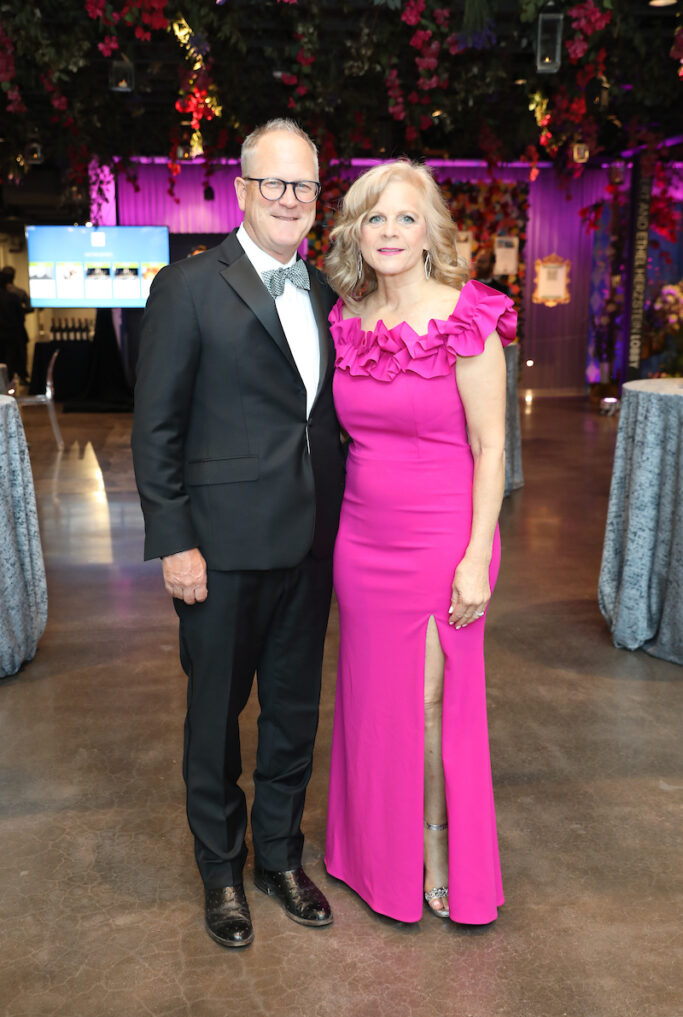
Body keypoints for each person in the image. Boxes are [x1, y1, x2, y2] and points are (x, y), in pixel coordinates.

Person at [131, 119, 346, 949]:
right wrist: (174, 541)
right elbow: (156, 428)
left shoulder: (325, 290)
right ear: (243, 191)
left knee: (293, 713)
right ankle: (221, 871)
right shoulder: (186, 287)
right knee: (214, 719)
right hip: (217, 551)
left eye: (304, 186)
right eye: (275, 184)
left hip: (311, 545)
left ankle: (280, 857)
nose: (291, 200)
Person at [324, 161, 516, 926]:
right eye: (375, 218)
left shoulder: (466, 317)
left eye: (406, 218)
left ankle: (435, 850)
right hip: (360, 536)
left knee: (431, 705)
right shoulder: (345, 316)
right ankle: (372, 853)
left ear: (431, 229)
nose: (390, 233)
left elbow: (492, 447)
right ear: (356, 232)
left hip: (443, 538)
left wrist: (475, 556)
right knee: (372, 703)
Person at [1, 265, 32, 382]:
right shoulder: (18, 294)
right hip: (15, 334)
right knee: (17, 358)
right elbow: (28, 309)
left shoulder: (15, 294)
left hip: (6, 335)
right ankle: (21, 378)